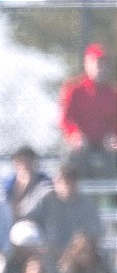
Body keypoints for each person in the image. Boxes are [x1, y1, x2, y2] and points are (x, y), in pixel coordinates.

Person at [60, 43, 117, 177]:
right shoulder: (74, 90)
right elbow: (66, 119)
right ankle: (80, 192)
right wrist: (75, 135)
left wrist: (113, 136)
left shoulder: (112, 93)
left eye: (104, 64)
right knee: (74, 155)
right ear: (87, 64)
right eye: (97, 63)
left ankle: (111, 194)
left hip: (105, 143)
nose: (101, 68)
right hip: (82, 143)